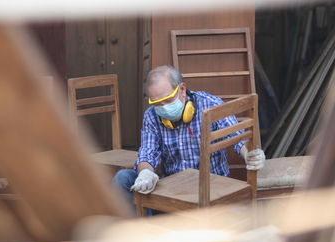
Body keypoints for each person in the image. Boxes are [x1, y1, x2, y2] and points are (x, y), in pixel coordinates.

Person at [113, 65, 265, 207]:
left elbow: (236, 135)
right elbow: (147, 152)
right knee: (123, 178)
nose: (164, 107)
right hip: (173, 187)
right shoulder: (151, 116)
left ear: (182, 89)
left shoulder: (209, 104)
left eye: (168, 100)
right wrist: (145, 172)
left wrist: (249, 154)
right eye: (158, 103)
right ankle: (144, 232)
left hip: (211, 185)